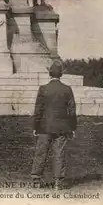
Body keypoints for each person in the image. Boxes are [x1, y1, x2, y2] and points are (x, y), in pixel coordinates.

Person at [31, 59, 77, 189]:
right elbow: (72, 110)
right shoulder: (67, 89)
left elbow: (38, 110)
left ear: (49, 74)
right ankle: (58, 182)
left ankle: (36, 180)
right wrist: (72, 127)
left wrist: (35, 126)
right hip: (62, 128)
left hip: (44, 127)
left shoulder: (43, 89)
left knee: (41, 153)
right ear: (61, 74)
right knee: (59, 154)